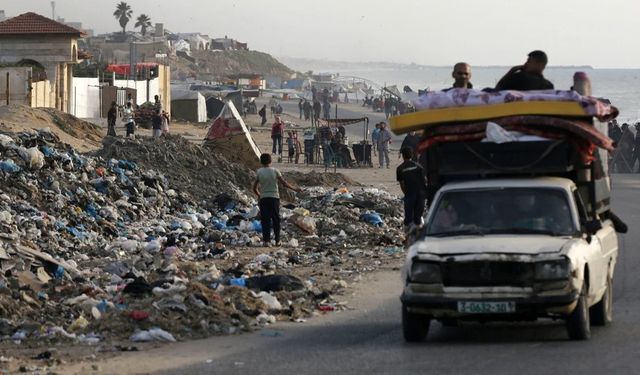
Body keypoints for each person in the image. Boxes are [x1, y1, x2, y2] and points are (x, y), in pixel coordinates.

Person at [252, 153, 302, 247]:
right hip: (274, 198)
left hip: (264, 199)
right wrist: (295, 189)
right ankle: (277, 241)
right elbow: (284, 183)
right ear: (270, 161)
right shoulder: (275, 171)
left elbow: (254, 188)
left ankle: (266, 241)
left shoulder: (259, 172)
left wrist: (259, 195)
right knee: (276, 219)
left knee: (265, 220)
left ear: (261, 162)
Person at [397, 147, 427, 233]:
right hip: (421, 194)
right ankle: (419, 235)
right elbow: (424, 180)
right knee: (418, 218)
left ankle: (408, 236)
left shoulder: (400, 168)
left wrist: (407, 194)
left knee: (409, 219)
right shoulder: (419, 167)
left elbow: (402, 184)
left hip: (410, 194)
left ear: (403, 156)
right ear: (412, 155)